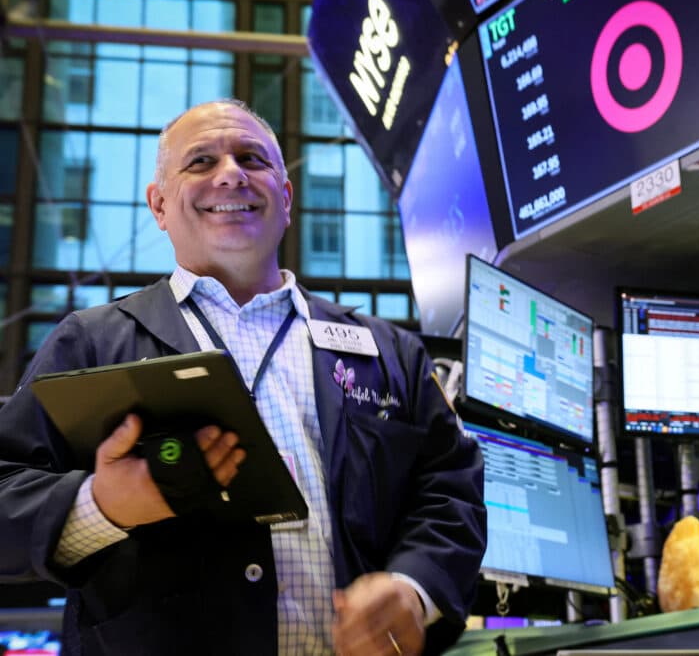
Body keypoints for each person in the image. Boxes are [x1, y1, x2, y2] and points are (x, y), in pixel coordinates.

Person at [0, 99, 487, 656]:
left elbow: (450, 489)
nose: (230, 173)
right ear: (159, 205)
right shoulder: (90, 344)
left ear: (285, 197)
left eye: (252, 159)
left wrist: (413, 587)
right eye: (201, 162)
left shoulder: (388, 351)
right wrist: (100, 504)